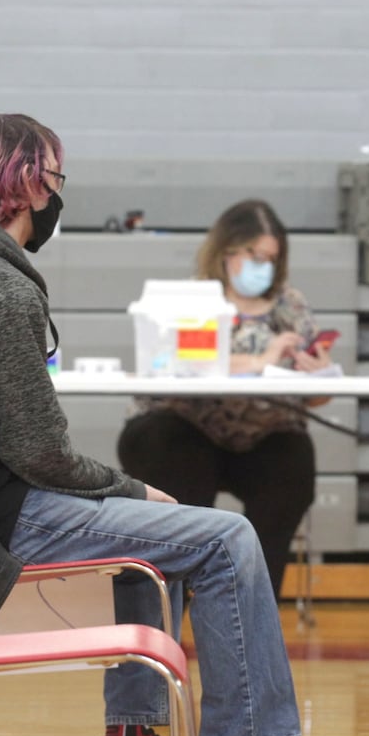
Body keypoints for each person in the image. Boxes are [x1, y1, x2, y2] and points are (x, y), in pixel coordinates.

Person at [0, 113, 345, 736]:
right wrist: (130, 488)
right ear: (26, 187)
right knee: (223, 536)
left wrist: (120, 496)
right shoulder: (2, 289)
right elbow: (39, 452)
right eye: (56, 178)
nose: (60, 194)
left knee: (160, 540)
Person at [117, 199, 329, 600]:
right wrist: (260, 361)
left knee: (293, 463)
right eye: (254, 255)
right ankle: (163, 615)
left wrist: (316, 375)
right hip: (185, 427)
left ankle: (251, 607)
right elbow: (173, 362)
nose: (261, 266)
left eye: (271, 258)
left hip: (261, 433)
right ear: (228, 249)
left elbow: (315, 399)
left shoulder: (291, 305)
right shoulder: (193, 299)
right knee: (172, 459)